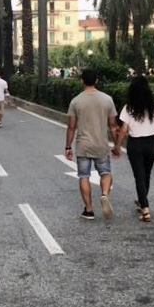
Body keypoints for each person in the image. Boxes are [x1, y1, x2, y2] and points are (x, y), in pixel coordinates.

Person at [65, 69, 118, 220]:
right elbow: (113, 125)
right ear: (96, 81)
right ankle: (104, 194)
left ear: (81, 81)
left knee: (83, 176)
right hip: (101, 144)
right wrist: (116, 144)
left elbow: (71, 127)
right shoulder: (107, 99)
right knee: (105, 173)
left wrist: (68, 147)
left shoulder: (76, 101)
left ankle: (88, 210)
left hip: (83, 145)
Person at [112, 76, 154, 222]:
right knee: (146, 174)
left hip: (135, 144)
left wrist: (117, 146)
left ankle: (145, 208)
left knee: (139, 175)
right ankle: (142, 201)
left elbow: (123, 129)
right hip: (151, 142)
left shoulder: (128, 108)